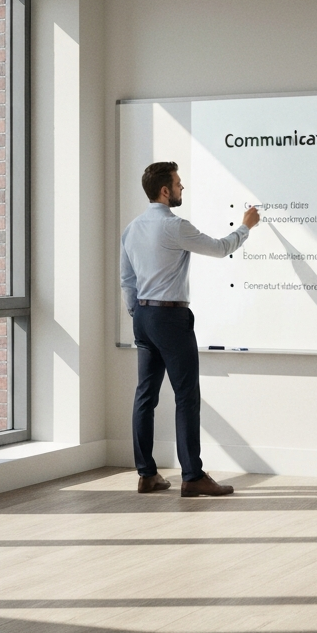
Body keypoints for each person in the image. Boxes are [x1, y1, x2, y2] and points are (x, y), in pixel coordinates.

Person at [120, 161, 260, 496]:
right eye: (178, 183)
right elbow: (220, 248)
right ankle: (192, 476)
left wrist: (138, 313)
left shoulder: (132, 228)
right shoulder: (174, 226)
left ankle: (147, 475)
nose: (182, 187)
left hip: (143, 316)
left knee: (145, 396)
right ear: (164, 190)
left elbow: (127, 279)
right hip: (170, 318)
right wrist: (246, 226)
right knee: (186, 396)